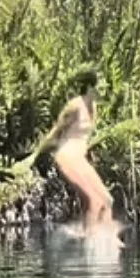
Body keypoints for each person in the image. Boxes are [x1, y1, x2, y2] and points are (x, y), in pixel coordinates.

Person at [28, 69, 116, 227]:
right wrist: (35, 154)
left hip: (79, 159)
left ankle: (107, 237)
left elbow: (83, 138)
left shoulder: (93, 108)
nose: (104, 90)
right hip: (66, 158)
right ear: (90, 87)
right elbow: (55, 131)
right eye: (101, 87)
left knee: (107, 200)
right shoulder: (75, 106)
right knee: (93, 200)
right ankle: (91, 238)